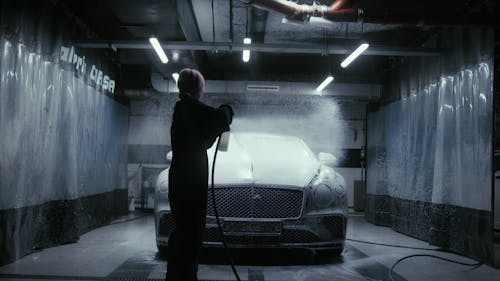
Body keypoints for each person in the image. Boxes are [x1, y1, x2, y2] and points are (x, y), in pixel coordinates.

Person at [166, 68, 233, 281]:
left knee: (186, 231)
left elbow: (206, 138)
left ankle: (179, 276)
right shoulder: (188, 108)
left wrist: (223, 123)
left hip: (181, 178)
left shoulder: (184, 110)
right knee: (190, 233)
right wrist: (228, 110)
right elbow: (219, 119)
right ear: (198, 89)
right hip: (191, 181)